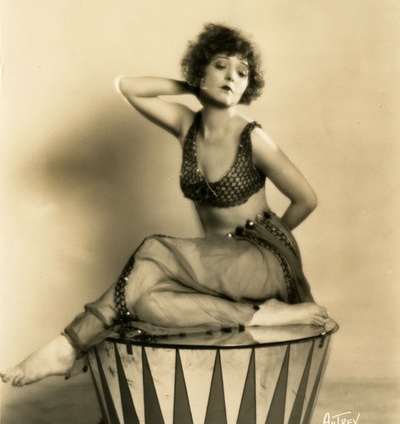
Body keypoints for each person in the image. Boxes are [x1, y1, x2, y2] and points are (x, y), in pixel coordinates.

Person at [1, 23, 328, 388]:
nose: (231, 77)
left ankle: (70, 344)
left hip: (262, 260)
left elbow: (306, 199)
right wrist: (191, 87)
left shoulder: (253, 137)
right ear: (201, 71)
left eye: (242, 72)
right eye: (221, 66)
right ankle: (261, 316)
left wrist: (260, 240)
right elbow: (128, 87)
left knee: (154, 250)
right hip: (214, 262)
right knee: (147, 300)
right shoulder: (186, 125)